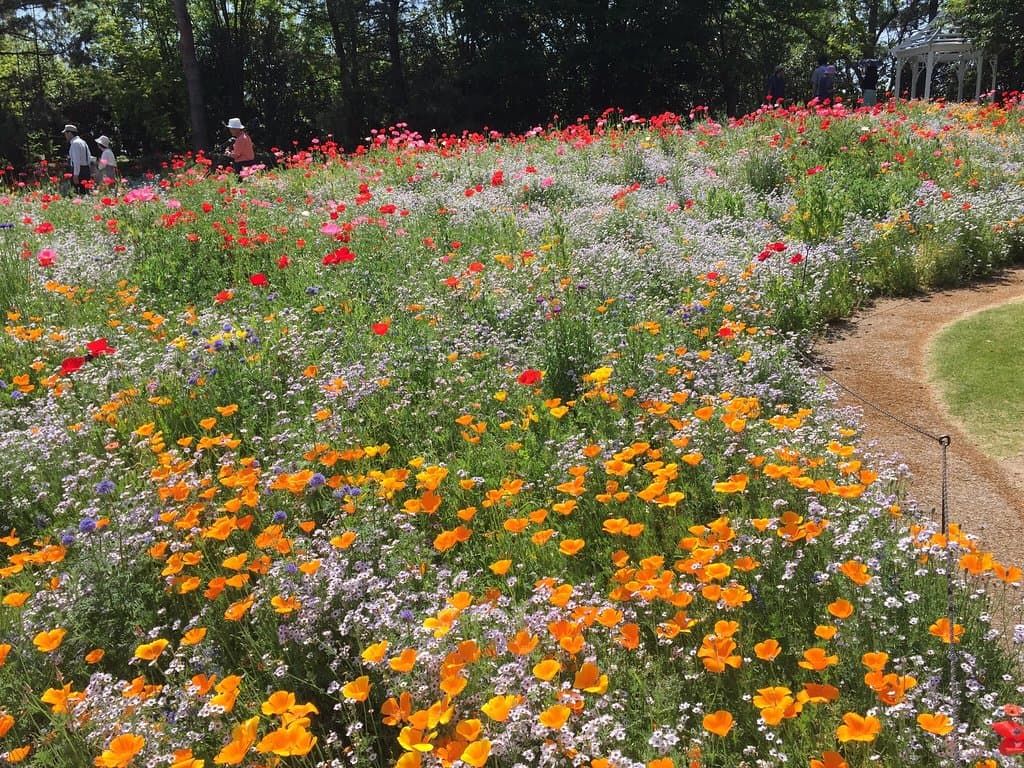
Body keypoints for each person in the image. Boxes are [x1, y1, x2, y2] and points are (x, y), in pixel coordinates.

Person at [62, 124, 92, 193]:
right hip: (86, 169)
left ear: (70, 133)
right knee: (85, 192)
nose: (65, 136)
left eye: (65, 133)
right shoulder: (83, 142)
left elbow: (76, 160)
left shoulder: (75, 143)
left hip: (79, 171)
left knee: (78, 192)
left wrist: (76, 175)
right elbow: (89, 156)